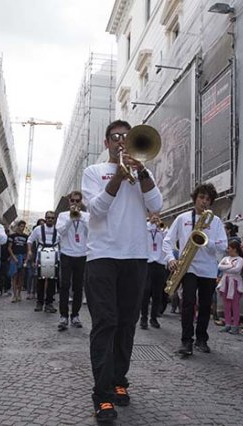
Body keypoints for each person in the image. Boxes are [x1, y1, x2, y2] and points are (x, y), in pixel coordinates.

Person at [82, 120, 162, 422]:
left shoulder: (143, 173)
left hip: (135, 256)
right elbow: (97, 209)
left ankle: (119, 380)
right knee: (106, 323)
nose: (121, 141)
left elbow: (156, 205)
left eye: (126, 137)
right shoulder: (93, 172)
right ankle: (102, 396)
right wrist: (118, 175)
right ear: (106, 143)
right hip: (102, 256)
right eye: (115, 137)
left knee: (127, 324)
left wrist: (141, 172)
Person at [163, 183, 227, 356]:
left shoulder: (216, 221)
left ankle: (201, 338)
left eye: (207, 199)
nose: (204, 201)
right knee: (188, 303)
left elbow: (223, 246)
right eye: (201, 197)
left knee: (205, 306)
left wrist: (206, 241)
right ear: (195, 198)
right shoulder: (182, 218)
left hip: (208, 269)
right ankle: (186, 341)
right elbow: (167, 241)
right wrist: (170, 258)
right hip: (188, 266)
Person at [56, 191, 89, 330]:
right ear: (69, 201)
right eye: (72, 201)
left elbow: (92, 232)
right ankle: (63, 316)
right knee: (64, 285)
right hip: (66, 254)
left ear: (81, 202)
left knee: (78, 287)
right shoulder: (63, 216)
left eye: (77, 201)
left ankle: (75, 315)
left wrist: (80, 218)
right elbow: (61, 231)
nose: (75, 203)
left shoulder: (86, 216)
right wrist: (71, 218)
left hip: (82, 254)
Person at [27, 211, 60, 314]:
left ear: (55, 219)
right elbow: (30, 240)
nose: (50, 219)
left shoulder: (59, 229)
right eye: (48, 217)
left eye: (52, 218)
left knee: (52, 281)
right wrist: (29, 251)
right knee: (40, 280)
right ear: (45, 218)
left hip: (55, 257)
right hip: (41, 256)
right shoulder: (38, 229)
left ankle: (49, 303)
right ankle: (39, 302)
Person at [139, 213, 167, 330]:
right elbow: (141, 236)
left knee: (157, 293)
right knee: (145, 291)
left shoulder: (163, 228)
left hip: (160, 263)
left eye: (157, 215)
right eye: (153, 215)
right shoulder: (145, 226)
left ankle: (154, 317)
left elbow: (167, 240)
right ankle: (144, 317)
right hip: (147, 262)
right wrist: (150, 223)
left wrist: (161, 227)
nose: (155, 217)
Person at [216, 239, 243, 334]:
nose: (228, 250)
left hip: (234, 282)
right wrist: (230, 266)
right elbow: (219, 267)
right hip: (225, 282)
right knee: (226, 305)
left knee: (235, 305)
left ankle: (235, 325)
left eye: (229, 248)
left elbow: (237, 269)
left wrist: (227, 267)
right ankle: (227, 323)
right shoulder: (226, 258)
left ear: (235, 249)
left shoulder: (240, 259)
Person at [7, 220, 29, 302]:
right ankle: (14, 295)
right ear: (18, 226)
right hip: (15, 256)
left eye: (23, 227)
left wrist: (26, 259)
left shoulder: (26, 237)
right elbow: (9, 247)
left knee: (21, 276)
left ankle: (19, 294)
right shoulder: (12, 236)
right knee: (14, 276)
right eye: (21, 226)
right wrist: (13, 257)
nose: (22, 228)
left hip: (22, 256)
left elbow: (27, 249)